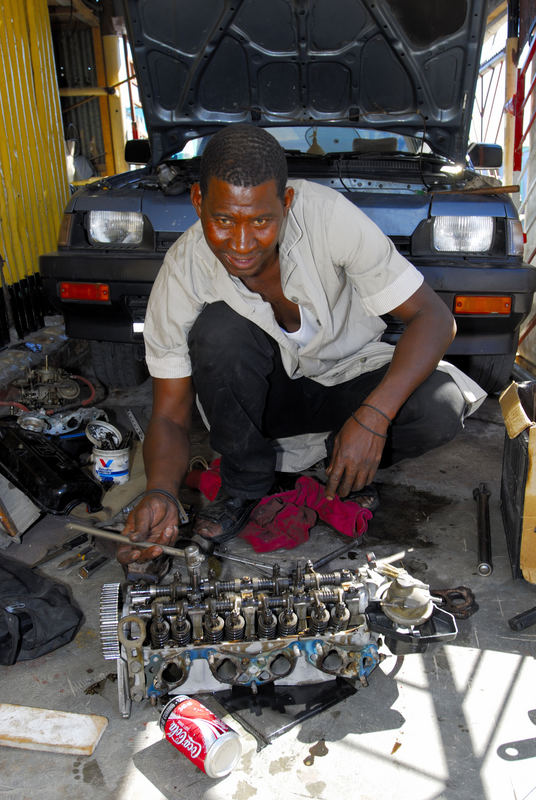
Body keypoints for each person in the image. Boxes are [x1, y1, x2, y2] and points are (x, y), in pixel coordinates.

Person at [117, 124, 485, 569]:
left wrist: (372, 418)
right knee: (218, 330)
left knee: (439, 404)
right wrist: (160, 490)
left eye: (261, 220)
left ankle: (339, 468)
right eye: (223, 219)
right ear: (198, 201)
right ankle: (246, 487)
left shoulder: (327, 216)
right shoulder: (182, 273)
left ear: (286, 203)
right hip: (268, 402)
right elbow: (169, 413)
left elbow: (434, 318)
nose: (241, 243)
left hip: (350, 378)